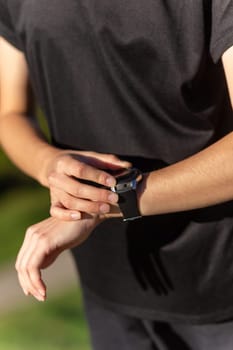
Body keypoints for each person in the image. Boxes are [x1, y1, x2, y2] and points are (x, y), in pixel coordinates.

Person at [1, 1, 233, 349]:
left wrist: (110, 202)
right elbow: (11, 113)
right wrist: (48, 164)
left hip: (217, 283)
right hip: (105, 282)